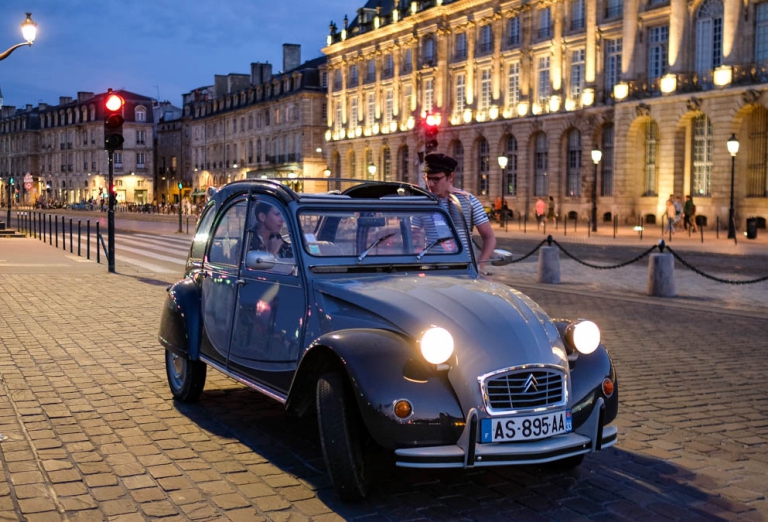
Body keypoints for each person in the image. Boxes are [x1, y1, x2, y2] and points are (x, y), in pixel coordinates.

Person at [422, 152, 496, 265]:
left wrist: (480, 266)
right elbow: (414, 238)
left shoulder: (469, 201)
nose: (431, 184)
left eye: (436, 179)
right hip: (432, 269)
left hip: (463, 269)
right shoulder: (422, 204)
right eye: (428, 179)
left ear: (451, 177)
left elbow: (489, 237)